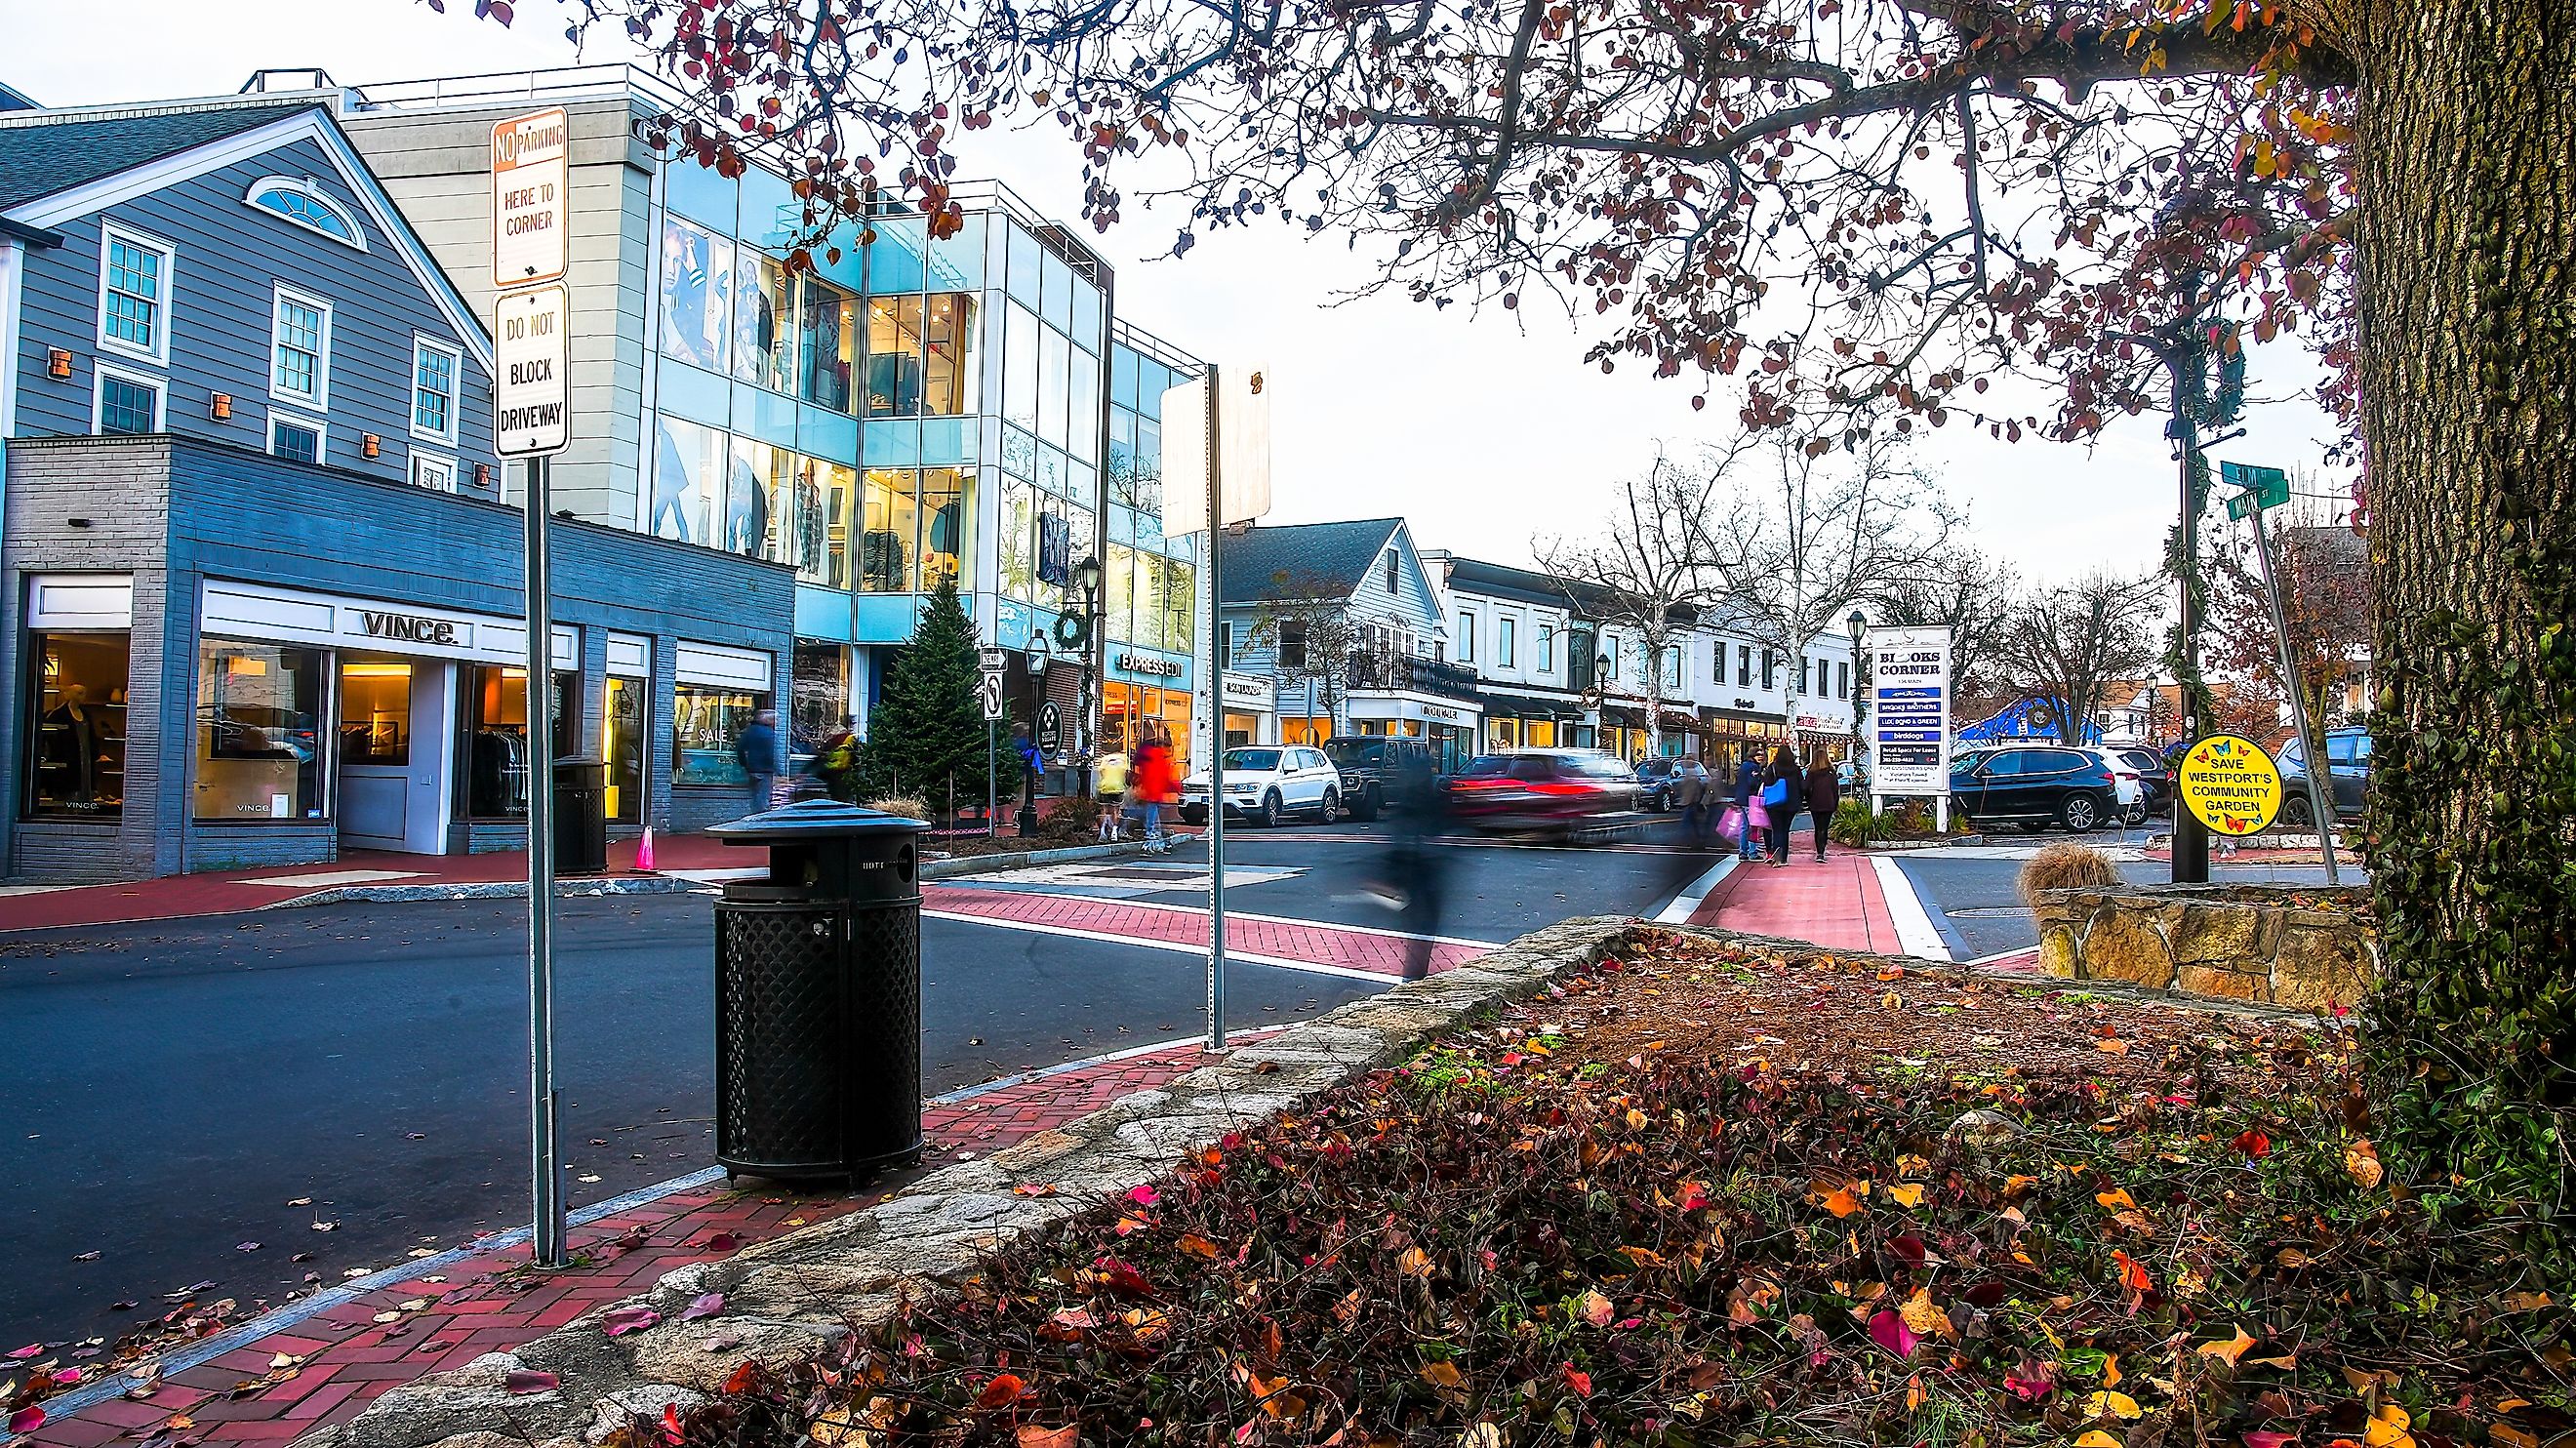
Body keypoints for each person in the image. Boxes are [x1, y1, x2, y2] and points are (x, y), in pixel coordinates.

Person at [1383, 748, 1449, 980]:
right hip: (1427, 872)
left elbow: (1398, 836)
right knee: (1425, 927)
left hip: (1411, 872)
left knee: (1417, 926)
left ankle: (1412, 974)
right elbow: (1438, 827)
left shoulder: (1406, 801)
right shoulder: (1431, 799)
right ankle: (1414, 975)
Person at [1130, 726, 1178, 853]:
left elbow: (1143, 774)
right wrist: (1176, 788)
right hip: (1155, 793)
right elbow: (1164, 777)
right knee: (1152, 817)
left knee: (1150, 816)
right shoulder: (1160, 759)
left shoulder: (1146, 758)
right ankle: (1154, 839)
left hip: (1147, 791)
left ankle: (1155, 838)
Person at [1762, 744, 1803, 865]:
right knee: (1785, 830)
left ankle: (1777, 855)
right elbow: (1802, 786)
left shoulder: (1773, 767)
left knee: (1777, 829)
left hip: (1774, 803)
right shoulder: (1796, 769)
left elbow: (1766, 783)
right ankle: (1783, 857)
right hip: (1791, 803)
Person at [736, 709, 785, 810]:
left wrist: (744, 764)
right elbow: (772, 754)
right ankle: (760, 819)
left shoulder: (749, 731)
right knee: (763, 797)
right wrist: (778, 771)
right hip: (765, 770)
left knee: (755, 796)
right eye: (774, 720)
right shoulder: (769, 733)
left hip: (752, 770)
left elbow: (740, 748)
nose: (775, 722)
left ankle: (754, 815)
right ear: (769, 720)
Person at [1805, 747, 1842, 863]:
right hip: (1828, 803)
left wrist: (1808, 800)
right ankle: (1822, 852)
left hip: (1815, 803)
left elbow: (1806, 788)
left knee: (1817, 827)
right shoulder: (1831, 772)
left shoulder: (1811, 772)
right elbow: (1835, 789)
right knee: (1824, 828)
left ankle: (1819, 852)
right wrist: (1835, 803)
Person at [1732, 746, 1764, 861]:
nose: (1761, 756)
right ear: (1753, 756)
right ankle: (1753, 852)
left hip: (1741, 799)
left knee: (1744, 826)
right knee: (1753, 826)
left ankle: (1743, 851)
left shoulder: (1743, 766)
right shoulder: (1754, 767)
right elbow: (1753, 783)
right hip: (1751, 800)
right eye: (1758, 754)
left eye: (1762, 754)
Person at [1095, 744, 1131, 841]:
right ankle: (1114, 833)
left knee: (1104, 810)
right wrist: (1126, 784)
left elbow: (1101, 772)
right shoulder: (1124, 758)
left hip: (1105, 787)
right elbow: (1127, 773)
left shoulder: (1105, 759)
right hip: (1118, 787)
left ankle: (1102, 832)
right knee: (1116, 810)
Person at [1673, 759, 1711, 847]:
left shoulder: (1690, 775)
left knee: (1688, 824)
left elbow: (1691, 790)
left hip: (1690, 803)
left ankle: (1689, 841)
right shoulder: (1693, 775)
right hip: (1691, 803)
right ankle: (1697, 841)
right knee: (1693, 824)